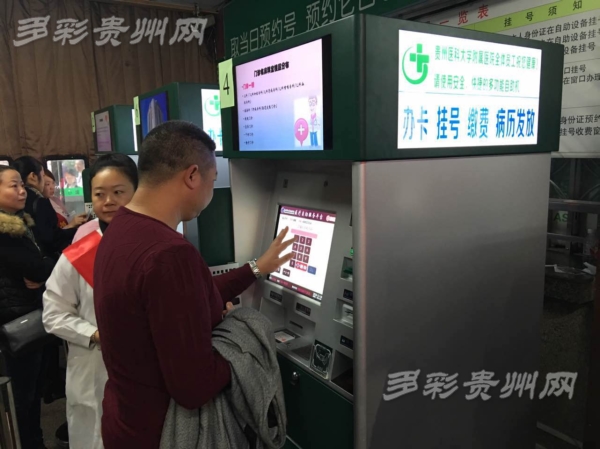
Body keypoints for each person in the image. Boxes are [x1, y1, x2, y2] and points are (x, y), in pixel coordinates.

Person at [94, 121, 293, 449]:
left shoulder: (121, 229)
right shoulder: (169, 253)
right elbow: (194, 386)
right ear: (192, 176)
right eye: (212, 181)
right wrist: (248, 340)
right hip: (165, 434)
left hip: (126, 422)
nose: (211, 192)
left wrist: (256, 268)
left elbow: (191, 297)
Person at [43, 154, 138, 449]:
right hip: (94, 367)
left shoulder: (154, 244)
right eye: (99, 194)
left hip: (145, 368)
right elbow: (53, 314)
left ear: (137, 192)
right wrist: (95, 335)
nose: (108, 201)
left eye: (118, 192)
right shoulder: (79, 254)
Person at [0, 165, 55, 449]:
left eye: (22, 184)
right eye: (13, 186)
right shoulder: (4, 232)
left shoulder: (20, 222)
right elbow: (36, 267)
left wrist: (43, 267)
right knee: (23, 396)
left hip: (27, 315)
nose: (22, 191)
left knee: (31, 393)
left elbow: (39, 264)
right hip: (16, 323)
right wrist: (46, 266)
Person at [12, 157, 85, 259]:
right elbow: (51, 238)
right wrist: (76, 230)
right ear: (33, 176)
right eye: (42, 176)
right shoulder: (40, 201)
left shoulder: (14, 200)